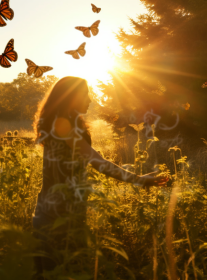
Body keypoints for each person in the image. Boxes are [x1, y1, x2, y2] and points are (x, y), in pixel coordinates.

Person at [31, 76, 168, 279]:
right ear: (72, 97)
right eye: (85, 94)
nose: (90, 99)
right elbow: (96, 160)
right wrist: (138, 179)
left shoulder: (65, 122)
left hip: (64, 213)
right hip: (57, 217)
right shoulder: (61, 124)